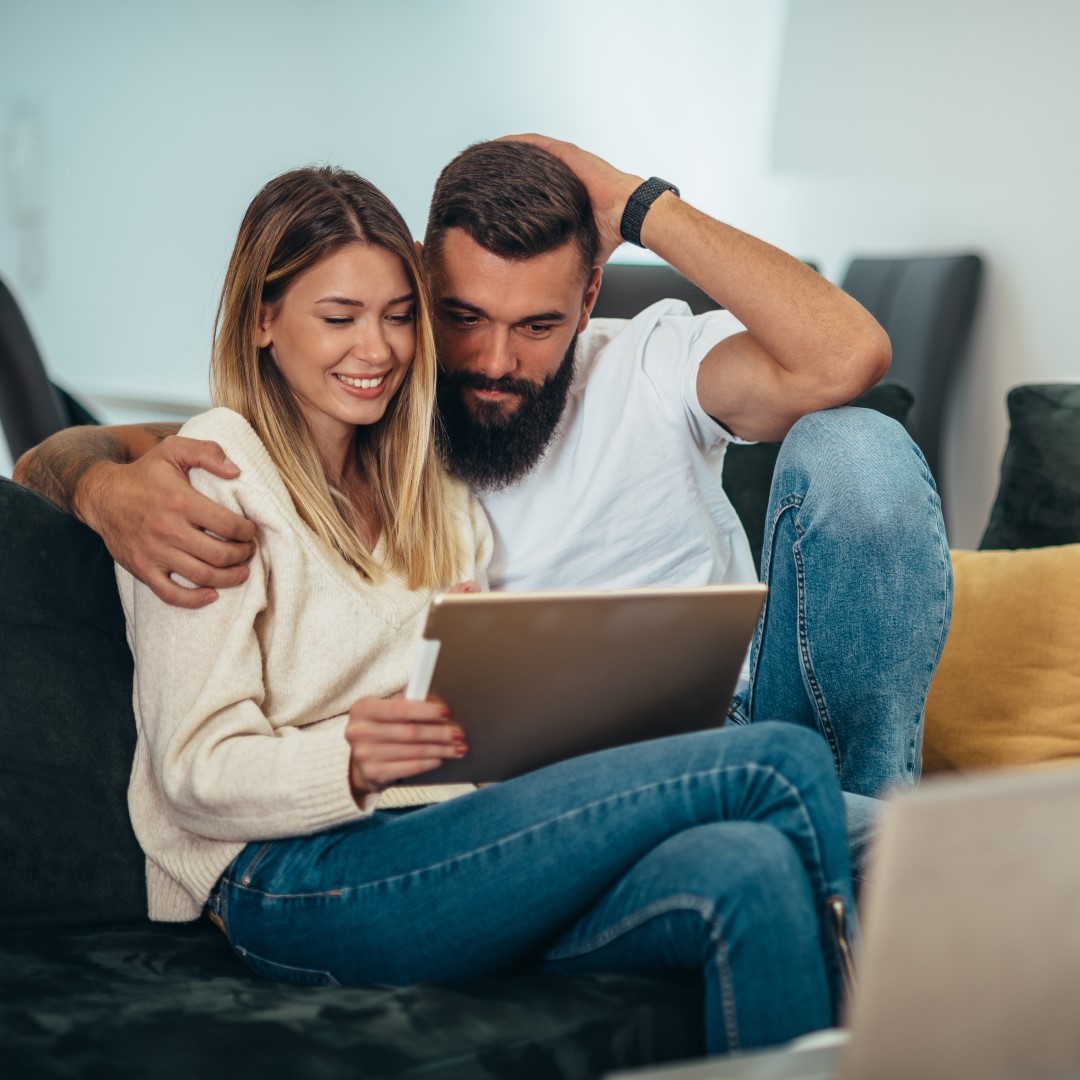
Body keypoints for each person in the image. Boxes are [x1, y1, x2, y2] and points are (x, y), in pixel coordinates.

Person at [86, 161, 856, 1056]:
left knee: (745, 871)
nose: (374, 351)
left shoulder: (426, 485)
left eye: (398, 316)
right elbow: (191, 773)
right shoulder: (212, 474)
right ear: (263, 319)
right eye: (338, 318)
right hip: (291, 874)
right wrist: (349, 760)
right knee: (777, 761)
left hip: (446, 835)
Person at [14, 136, 952, 865]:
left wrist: (637, 203)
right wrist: (99, 488)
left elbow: (847, 357)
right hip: (554, 780)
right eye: (462, 318)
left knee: (859, 446)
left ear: (588, 298)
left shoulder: (645, 363)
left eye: (538, 325)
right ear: (421, 284)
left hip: (741, 723)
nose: (496, 363)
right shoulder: (372, 406)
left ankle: (862, 822)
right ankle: (870, 861)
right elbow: (85, 452)